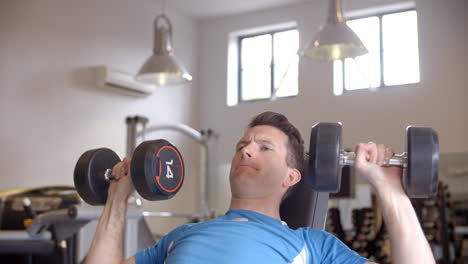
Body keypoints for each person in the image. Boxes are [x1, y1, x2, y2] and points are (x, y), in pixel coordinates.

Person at [84, 111, 435, 264]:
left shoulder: (311, 246)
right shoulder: (184, 235)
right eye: (242, 146)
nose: (246, 150)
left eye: (264, 148)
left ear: (290, 177)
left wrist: (389, 190)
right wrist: (118, 196)